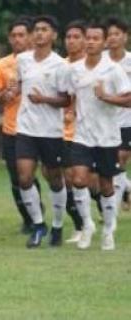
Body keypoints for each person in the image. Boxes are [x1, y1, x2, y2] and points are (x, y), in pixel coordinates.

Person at [66, 22, 131, 250]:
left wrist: (105, 97)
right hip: (82, 135)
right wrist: (70, 110)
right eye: (89, 38)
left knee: (106, 185)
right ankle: (87, 225)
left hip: (107, 136)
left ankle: (108, 230)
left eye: (96, 38)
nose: (91, 42)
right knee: (78, 179)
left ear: (103, 42)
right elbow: (71, 95)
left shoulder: (113, 69)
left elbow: (128, 99)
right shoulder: (74, 70)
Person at [15, 15, 71, 248]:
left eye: (44, 29)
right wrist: (12, 91)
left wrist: (43, 99)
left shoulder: (60, 65)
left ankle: (57, 225)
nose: (39, 34)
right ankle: (38, 225)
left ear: (53, 35)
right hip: (26, 128)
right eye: (36, 30)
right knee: (25, 177)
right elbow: (20, 85)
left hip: (50, 130)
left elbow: (66, 100)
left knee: (55, 178)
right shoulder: (23, 60)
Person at [0, 18, 40, 234]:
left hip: (41, 128)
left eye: (22, 35)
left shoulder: (42, 62)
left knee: (48, 174)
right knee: (18, 177)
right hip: (13, 128)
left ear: (30, 36)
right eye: (14, 36)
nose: (18, 39)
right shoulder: (3, 64)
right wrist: (7, 94)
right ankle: (29, 217)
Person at [61, 21, 87, 243]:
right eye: (68, 37)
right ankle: (80, 225)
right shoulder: (61, 66)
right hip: (64, 132)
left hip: (92, 132)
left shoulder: (95, 66)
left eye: (76, 36)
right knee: (69, 179)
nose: (71, 41)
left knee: (96, 182)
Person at [104, 17, 131, 210]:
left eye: (116, 34)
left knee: (121, 157)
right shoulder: (100, 60)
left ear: (125, 37)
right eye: (109, 35)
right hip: (104, 121)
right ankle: (127, 188)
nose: (112, 38)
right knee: (106, 166)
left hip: (127, 120)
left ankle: (111, 209)